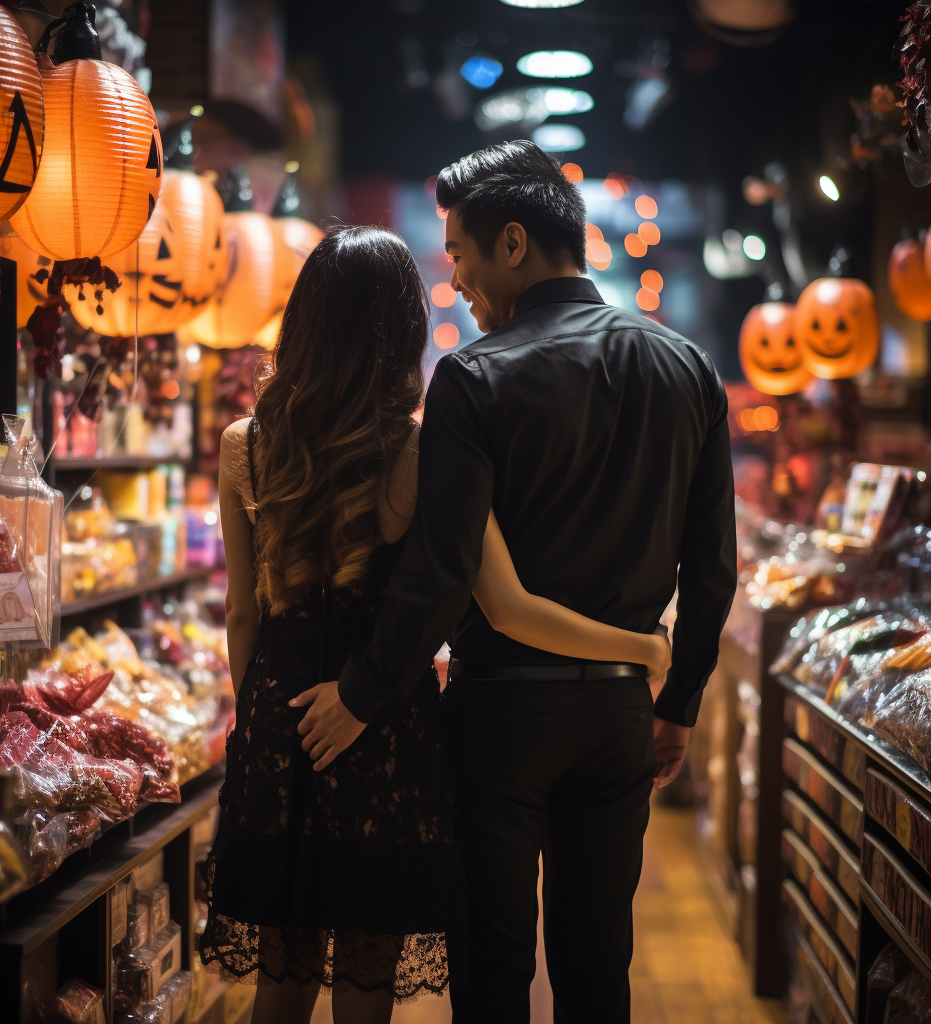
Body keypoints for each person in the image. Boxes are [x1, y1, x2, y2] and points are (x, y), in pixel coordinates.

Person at [298, 143, 738, 1024]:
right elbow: (714, 567)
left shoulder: (473, 376)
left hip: (497, 719)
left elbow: (442, 567)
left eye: (457, 254)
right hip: (619, 713)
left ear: (511, 243)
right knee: (595, 969)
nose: (453, 278)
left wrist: (363, 690)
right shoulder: (689, 368)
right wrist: (678, 700)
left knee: (492, 973)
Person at [202, 223, 678, 1024]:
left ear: (304, 318)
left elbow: (242, 611)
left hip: (280, 723)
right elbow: (506, 603)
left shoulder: (245, 446)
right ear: (403, 334)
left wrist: (264, 721)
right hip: (383, 732)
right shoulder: (423, 456)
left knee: (275, 990)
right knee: (366, 987)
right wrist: (643, 647)